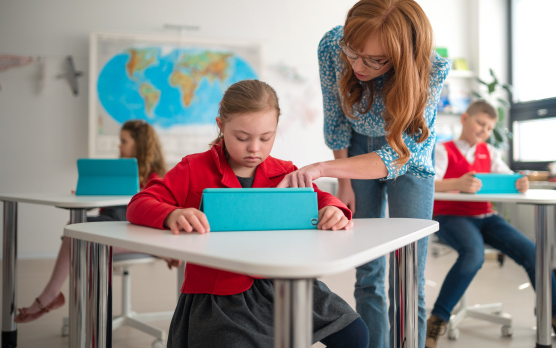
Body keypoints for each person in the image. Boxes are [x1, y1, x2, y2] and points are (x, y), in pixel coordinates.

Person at [127, 79, 369, 348]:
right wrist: (171, 214)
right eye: (242, 138)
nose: (255, 148)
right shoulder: (193, 168)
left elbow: (321, 197)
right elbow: (140, 203)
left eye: (266, 138)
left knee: (355, 333)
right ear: (221, 126)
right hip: (220, 294)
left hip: (283, 282)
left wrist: (333, 209)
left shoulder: (285, 171)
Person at [277, 0, 452, 348]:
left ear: (402, 58)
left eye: (375, 61)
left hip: (409, 159)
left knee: (408, 277)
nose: (358, 66)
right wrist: (343, 177)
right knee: (368, 272)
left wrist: (324, 168)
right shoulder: (332, 45)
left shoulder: (431, 69)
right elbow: (335, 118)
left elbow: (397, 155)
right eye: (354, 53)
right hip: (355, 148)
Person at [425, 99, 556, 348]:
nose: (484, 131)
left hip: (487, 218)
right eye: (480, 124)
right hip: (453, 217)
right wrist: (457, 183)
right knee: (473, 254)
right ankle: (437, 318)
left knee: (534, 252)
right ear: (465, 119)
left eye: (488, 128)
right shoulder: (443, 150)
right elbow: (429, 184)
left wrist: (520, 183)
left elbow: (509, 178)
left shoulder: (491, 152)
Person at [15, 119, 168, 323]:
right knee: (79, 231)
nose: (119, 146)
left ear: (139, 143)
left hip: (139, 234)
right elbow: (111, 207)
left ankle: (59, 300)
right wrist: (88, 192)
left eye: (124, 141)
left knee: (81, 237)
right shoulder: (122, 173)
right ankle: (93, 317)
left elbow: (156, 212)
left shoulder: (155, 177)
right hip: (117, 226)